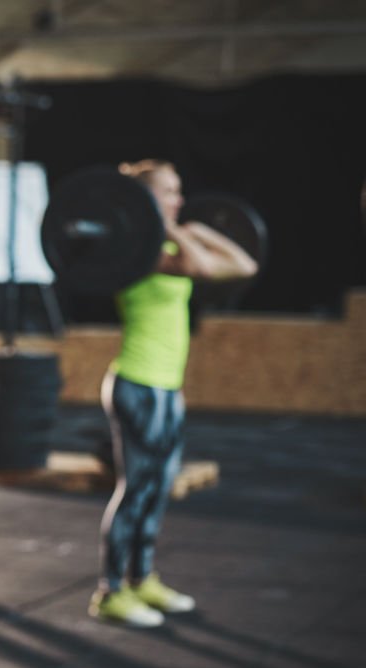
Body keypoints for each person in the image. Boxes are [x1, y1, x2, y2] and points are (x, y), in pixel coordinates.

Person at [91, 160, 257, 627]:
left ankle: (143, 579)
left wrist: (195, 226)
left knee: (158, 490)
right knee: (135, 489)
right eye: (168, 192)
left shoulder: (167, 238)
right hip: (138, 383)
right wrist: (173, 228)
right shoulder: (133, 249)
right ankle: (110, 592)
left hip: (167, 386)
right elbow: (197, 265)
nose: (179, 200)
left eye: (178, 191)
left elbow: (244, 263)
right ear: (144, 201)